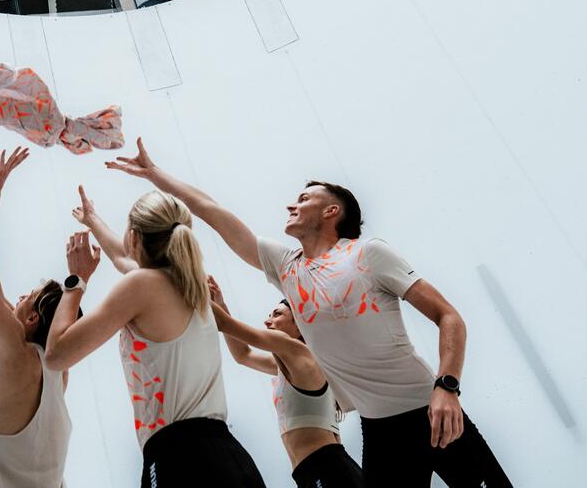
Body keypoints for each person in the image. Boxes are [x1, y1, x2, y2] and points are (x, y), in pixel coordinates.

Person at [106, 138, 512, 487]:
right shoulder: (287, 267)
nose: (291, 204)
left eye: (304, 198)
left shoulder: (367, 253)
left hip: (429, 410)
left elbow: (449, 316)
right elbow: (212, 211)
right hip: (379, 432)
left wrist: (447, 387)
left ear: (332, 211)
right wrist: (155, 174)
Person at [44, 187, 265, 488]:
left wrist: (76, 280)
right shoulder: (189, 285)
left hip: (182, 459)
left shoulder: (142, 286)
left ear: (134, 237)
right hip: (226, 454)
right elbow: (122, 258)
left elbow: (57, 355)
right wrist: (92, 220)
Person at [0, 147, 78, 488]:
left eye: (26, 296)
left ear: (31, 320)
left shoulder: (18, 353)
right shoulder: (59, 373)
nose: (15, 297)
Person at [207, 277, 364, 488]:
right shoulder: (291, 364)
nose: (267, 320)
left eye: (277, 314)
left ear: (299, 326)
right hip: (311, 471)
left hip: (328, 468)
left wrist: (188, 282)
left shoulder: (300, 354)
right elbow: (243, 355)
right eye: (269, 315)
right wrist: (221, 304)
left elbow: (225, 324)